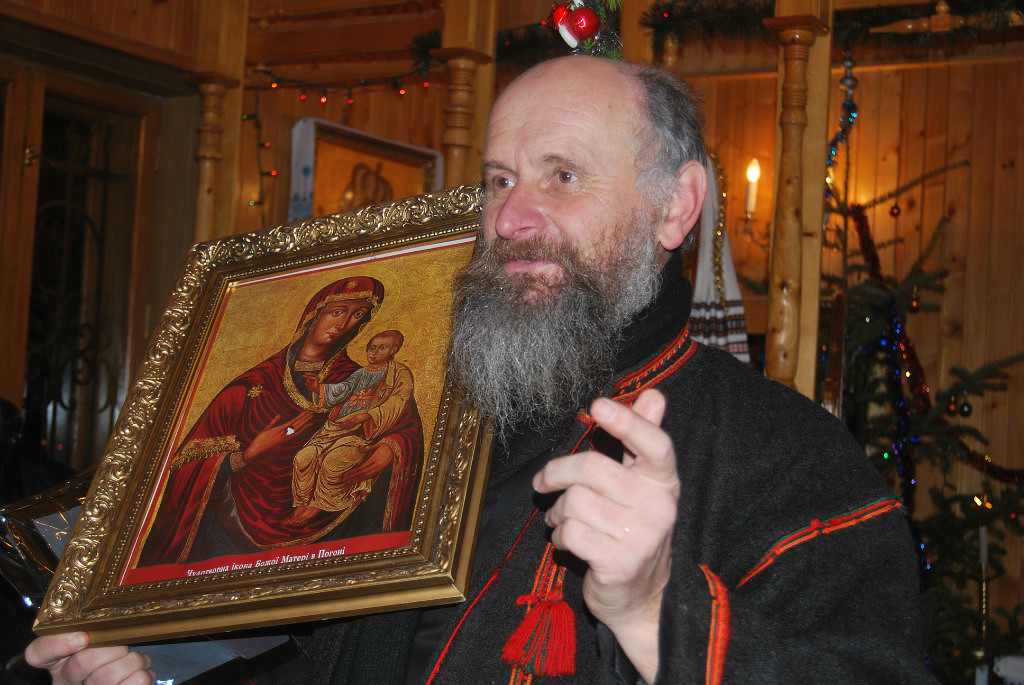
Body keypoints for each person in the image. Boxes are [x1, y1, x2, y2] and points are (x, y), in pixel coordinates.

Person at [25, 55, 937, 685]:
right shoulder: (435, 409)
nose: (510, 219)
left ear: (676, 206)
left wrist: (657, 607)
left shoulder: (789, 457)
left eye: (563, 176)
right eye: (500, 180)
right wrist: (150, 672)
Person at [134, 277, 422, 567]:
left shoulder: (365, 379)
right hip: (229, 540)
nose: (344, 324)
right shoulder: (250, 386)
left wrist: (390, 449)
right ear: (313, 316)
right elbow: (186, 468)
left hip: (334, 537)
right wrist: (248, 455)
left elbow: (404, 424)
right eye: (337, 312)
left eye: (357, 315)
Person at [288, 329, 421, 531]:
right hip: (334, 428)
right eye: (371, 348)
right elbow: (343, 390)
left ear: (394, 350)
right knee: (303, 457)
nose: (374, 353)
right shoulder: (361, 373)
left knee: (332, 462)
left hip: (360, 432)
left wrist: (368, 415)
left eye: (381, 348)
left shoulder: (399, 374)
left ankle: (322, 504)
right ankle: (303, 502)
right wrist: (320, 388)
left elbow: (399, 400)